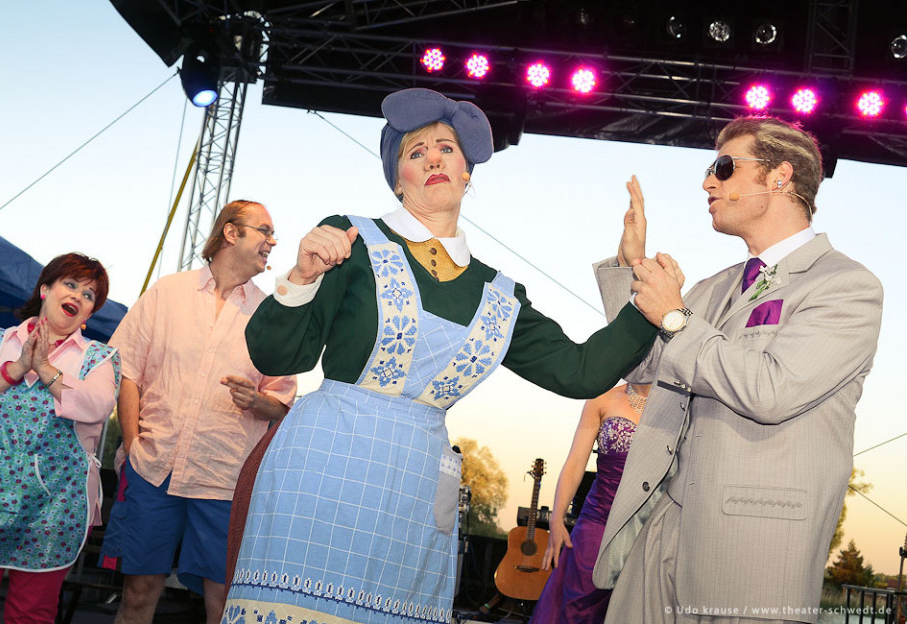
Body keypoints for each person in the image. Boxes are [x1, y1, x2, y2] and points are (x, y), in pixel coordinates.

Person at [222, 87, 659, 624]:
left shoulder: (499, 294)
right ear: (398, 178)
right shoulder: (351, 240)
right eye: (416, 151)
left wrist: (647, 298)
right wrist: (302, 276)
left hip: (416, 483)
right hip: (324, 471)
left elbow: (580, 371)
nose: (433, 158)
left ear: (467, 171)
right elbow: (275, 354)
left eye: (446, 148)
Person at [591, 118, 884, 623]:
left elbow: (770, 389)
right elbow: (643, 368)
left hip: (752, 550)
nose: (708, 182)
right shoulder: (715, 287)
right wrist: (631, 268)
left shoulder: (846, 286)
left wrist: (676, 316)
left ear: (780, 177)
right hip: (661, 531)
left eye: (724, 167)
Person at [99, 200, 297, 624]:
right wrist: (132, 444)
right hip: (154, 468)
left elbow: (281, 402)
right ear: (231, 232)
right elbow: (126, 371)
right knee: (137, 594)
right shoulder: (167, 292)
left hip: (224, 478)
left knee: (223, 603)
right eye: (264, 231)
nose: (273, 241)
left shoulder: (270, 314)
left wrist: (255, 400)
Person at [0, 253, 119, 624]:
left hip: (56, 504)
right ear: (45, 289)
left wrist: (44, 368)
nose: (78, 296)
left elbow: (97, 406)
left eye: (89, 295)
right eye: (70, 284)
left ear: (89, 313)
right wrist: (17, 368)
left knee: (32, 614)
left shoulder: (99, 357)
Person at [529, 382, 651, 624]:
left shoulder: (678, 404)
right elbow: (575, 463)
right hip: (597, 524)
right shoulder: (602, 398)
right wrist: (557, 518)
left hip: (648, 529)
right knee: (578, 609)